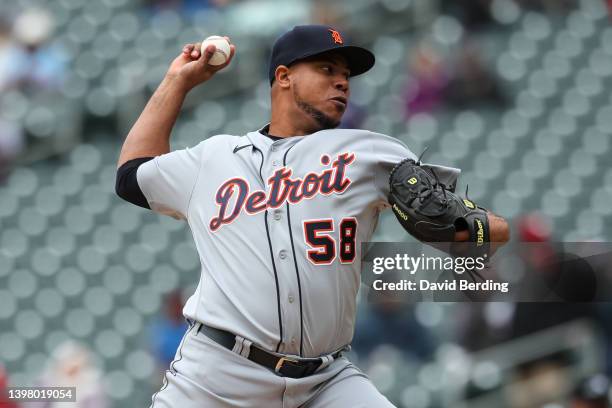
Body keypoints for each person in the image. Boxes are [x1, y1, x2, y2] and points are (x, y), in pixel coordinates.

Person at [115, 24, 509, 407]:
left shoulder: (373, 153)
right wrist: (178, 81)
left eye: (345, 74)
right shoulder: (214, 158)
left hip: (325, 381)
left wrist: (461, 227)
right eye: (326, 69)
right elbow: (132, 174)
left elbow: (490, 235)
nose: (342, 82)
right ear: (284, 77)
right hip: (218, 376)